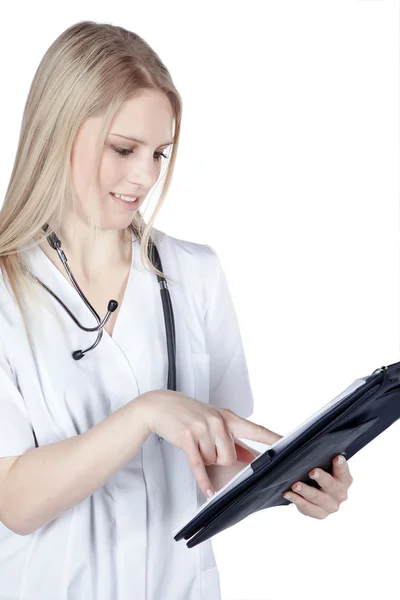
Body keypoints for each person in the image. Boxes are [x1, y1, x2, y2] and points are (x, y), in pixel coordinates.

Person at [0, 20, 354, 600]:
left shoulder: (194, 274)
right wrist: (145, 412)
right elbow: (14, 499)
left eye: (159, 153)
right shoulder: (7, 288)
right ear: (57, 130)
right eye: (124, 149)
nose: (144, 176)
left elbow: (209, 470)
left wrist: (292, 480)